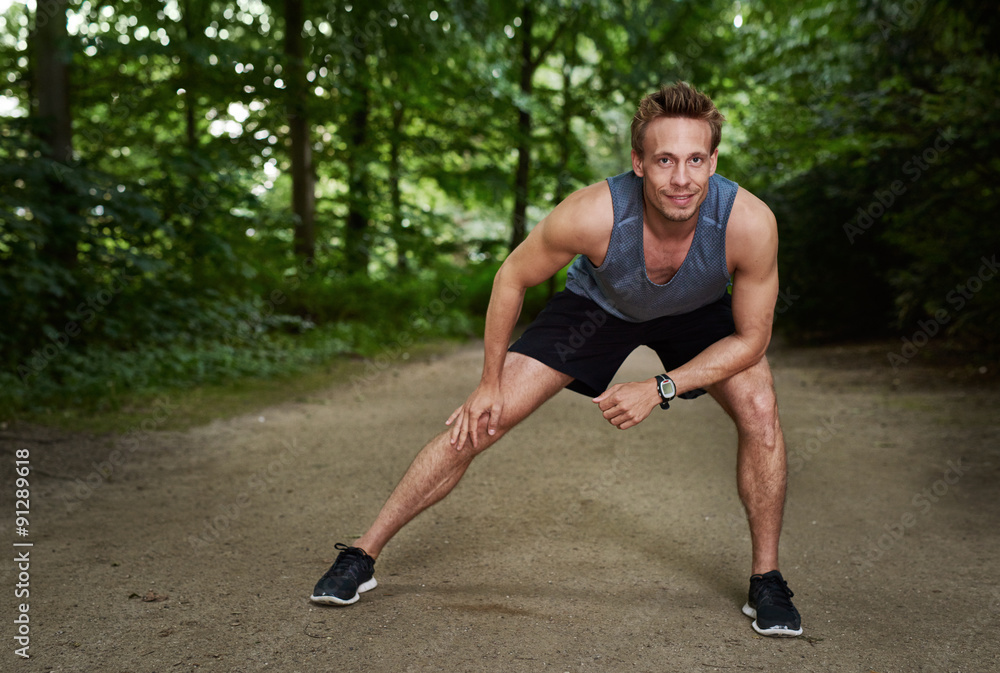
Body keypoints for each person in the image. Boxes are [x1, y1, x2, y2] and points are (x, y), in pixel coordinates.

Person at [310, 81, 802, 637]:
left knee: (761, 409)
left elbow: (752, 340)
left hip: (697, 315)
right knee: (481, 420)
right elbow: (511, 277)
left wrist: (661, 386)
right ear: (639, 162)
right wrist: (489, 381)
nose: (681, 178)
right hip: (600, 309)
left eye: (694, 160)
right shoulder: (593, 214)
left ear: (713, 161)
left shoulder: (748, 222)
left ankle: (767, 580)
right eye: (665, 159)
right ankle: (362, 553)